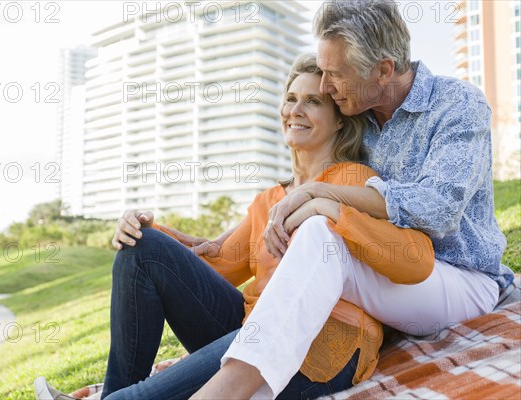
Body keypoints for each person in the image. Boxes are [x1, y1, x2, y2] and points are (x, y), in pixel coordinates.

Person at [34, 53, 436, 400]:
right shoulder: (269, 201)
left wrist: (333, 213)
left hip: (319, 342)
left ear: (339, 123)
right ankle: (116, 386)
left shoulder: (353, 182)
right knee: (142, 247)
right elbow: (215, 266)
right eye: (291, 99)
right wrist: (150, 230)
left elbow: (412, 258)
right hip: (250, 331)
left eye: (312, 101)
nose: (294, 110)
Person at [192, 1, 514, 399]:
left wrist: (325, 197)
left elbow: (437, 207)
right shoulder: (358, 118)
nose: (325, 87)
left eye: (336, 74)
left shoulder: (457, 105)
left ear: (383, 70)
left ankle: (227, 388)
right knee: (318, 233)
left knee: (319, 230)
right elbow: (311, 172)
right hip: (381, 266)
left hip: (456, 278)